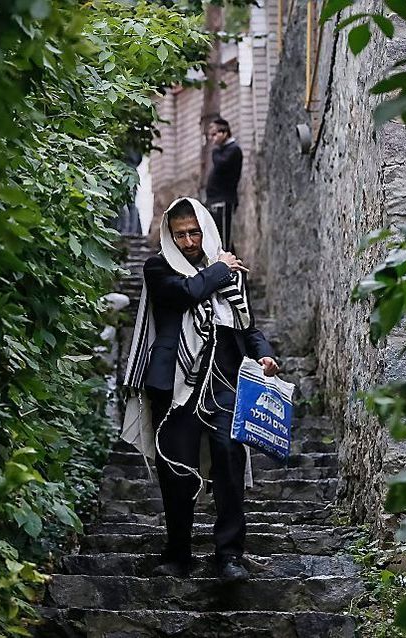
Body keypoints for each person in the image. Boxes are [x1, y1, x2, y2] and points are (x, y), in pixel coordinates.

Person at [121, 197, 278, 583]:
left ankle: (229, 556)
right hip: (175, 388)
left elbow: (247, 327)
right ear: (169, 237)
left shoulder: (228, 272)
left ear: (206, 230)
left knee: (228, 462)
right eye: (180, 234)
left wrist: (265, 355)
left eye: (195, 232)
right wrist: (222, 268)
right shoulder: (158, 267)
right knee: (177, 470)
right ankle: (178, 555)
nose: (189, 241)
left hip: (225, 385)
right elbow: (187, 293)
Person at [204, 118, 243, 250]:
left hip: (225, 201)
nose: (212, 138)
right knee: (217, 238)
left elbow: (221, 164)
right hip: (215, 200)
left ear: (225, 133)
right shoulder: (222, 150)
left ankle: (230, 269)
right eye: (211, 135)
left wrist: (215, 151)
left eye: (215, 134)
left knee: (224, 240)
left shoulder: (233, 150)